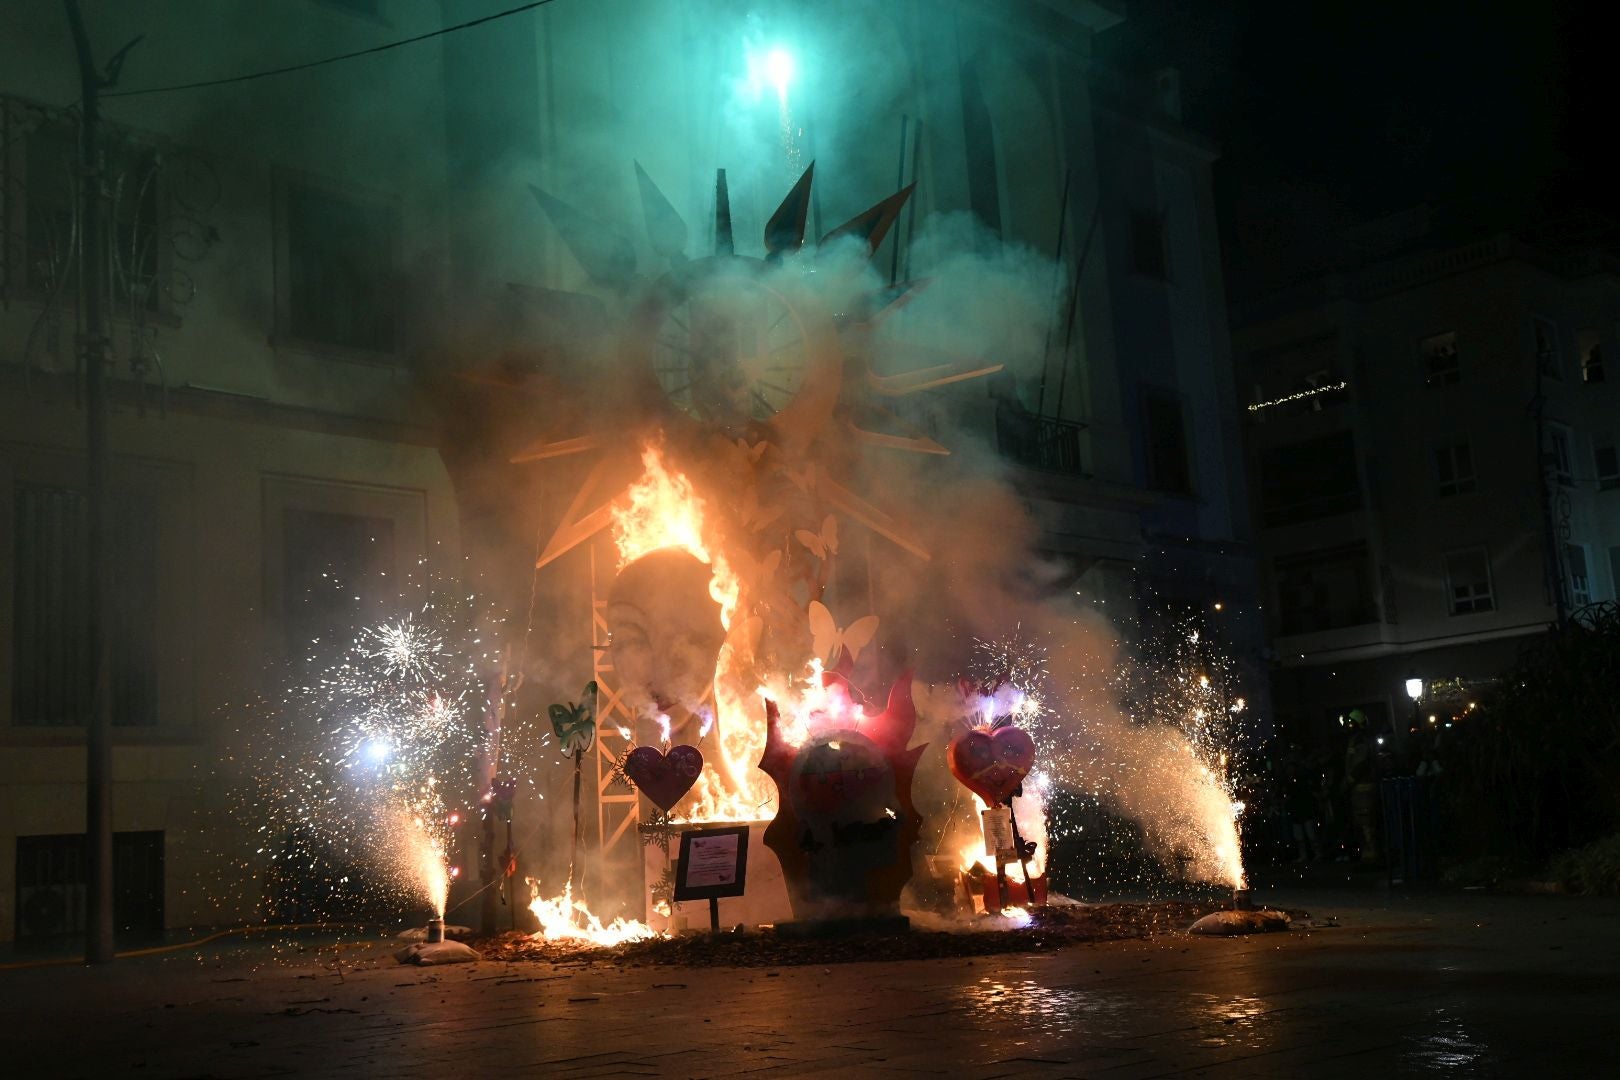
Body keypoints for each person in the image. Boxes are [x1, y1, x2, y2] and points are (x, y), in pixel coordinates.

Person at [1342, 709, 1379, 861]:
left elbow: (1361, 764)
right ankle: (1367, 854)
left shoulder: (1361, 740)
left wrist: (1349, 780)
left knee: (1367, 823)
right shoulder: (1355, 739)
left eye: (1351, 723)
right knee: (1361, 822)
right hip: (1358, 790)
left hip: (1363, 789)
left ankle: (1373, 856)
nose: (1348, 726)